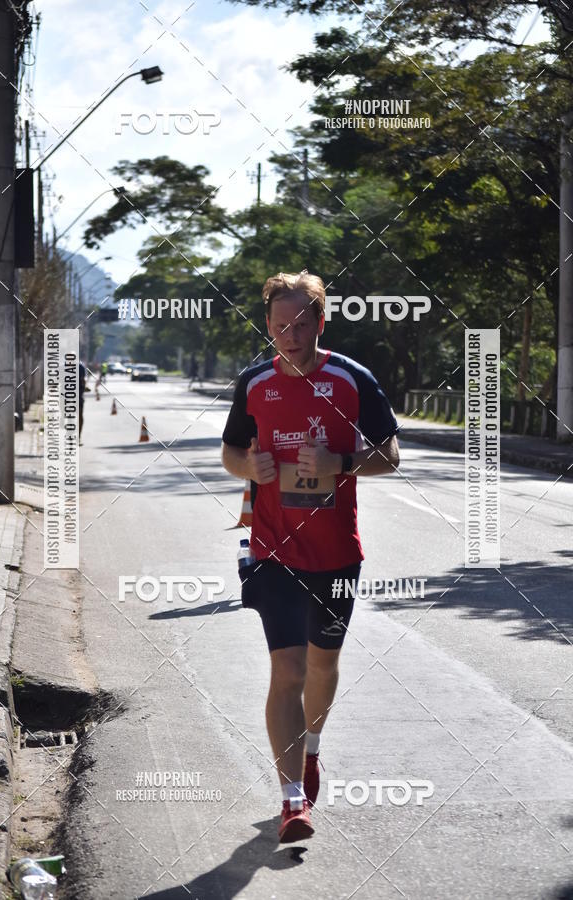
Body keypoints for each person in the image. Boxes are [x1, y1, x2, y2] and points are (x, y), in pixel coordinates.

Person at [221, 271, 400, 843]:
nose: (288, 336)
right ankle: (291, 799)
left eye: (300, 325)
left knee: (322, 665)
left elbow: (390, 457)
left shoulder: (353, 380)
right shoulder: (253, 383)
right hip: (273, 552)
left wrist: (339, 464)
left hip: (337, 555)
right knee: (288, 670)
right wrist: (249, 468)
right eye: (278, 326)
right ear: (268, 326)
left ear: (320, 322)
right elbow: (230, 451)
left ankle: (311, 751)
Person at [79, 361, 86, 445]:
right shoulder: (62, 368)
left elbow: (83, 380)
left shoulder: (80, 367)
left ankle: (79, 436)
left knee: (80, 416)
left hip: (78, 396)